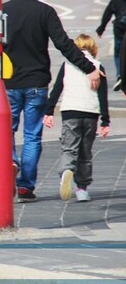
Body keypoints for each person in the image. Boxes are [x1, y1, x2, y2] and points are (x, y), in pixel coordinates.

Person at [0, 0, 102, 203]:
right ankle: (25, 186)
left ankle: (12, 161)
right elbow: (64, 45)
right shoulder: (45, 12)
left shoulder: (2, 13)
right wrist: (90, 68)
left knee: (7, 131)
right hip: (37, 83)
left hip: (9, 82)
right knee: (32, 136)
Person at [43, 34, 109, 203]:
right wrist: (105, 121)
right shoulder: (97, 66)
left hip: (70, 111)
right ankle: (82, 189)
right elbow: (103, 96)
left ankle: (66, 171)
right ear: (93, 48)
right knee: (85, 153)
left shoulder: (67, 65)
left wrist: (49, 112)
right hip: (90, 114)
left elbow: (57, 89)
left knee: (69, 149)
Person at [96, 0, 126, 91]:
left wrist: (101, 29)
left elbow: (107, 14)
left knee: (118, 53)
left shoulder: (116, 0)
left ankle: (120, 74)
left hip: (119, 30)